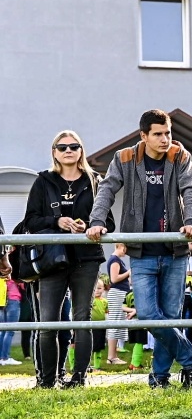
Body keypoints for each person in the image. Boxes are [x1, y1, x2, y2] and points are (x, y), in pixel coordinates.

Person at [23, 130, 102, 389]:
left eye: (74, 146)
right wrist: (56, 221)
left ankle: (79, 378)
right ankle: (47, 381)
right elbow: (30, 221)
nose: (68, 150)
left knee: (82, 319)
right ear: (54, 152)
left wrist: (88, 226)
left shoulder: (94, 181)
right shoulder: (43, 182)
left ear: (81, 151)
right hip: (51, 259)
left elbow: (107, 222)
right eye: (62, 146)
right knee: (48, 322)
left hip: (86, 258)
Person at [105, 242, 131, 365]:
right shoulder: (115, 260)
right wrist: (129, 272)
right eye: (125, 248)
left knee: (118, 323)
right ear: (120, 246)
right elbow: (114, 279)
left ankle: (114, 355)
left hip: (120, 293)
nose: (126, 251)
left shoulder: (117, 260)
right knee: (114, 323)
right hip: (116, 293)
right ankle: (111, 356)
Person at [0, 272, 20, 365]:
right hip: (12, 299)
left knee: (3, 331)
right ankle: (5, 358)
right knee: (10, 331)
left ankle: (1, 357)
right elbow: (23, 285)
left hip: (2, 300)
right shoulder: (10, 273)